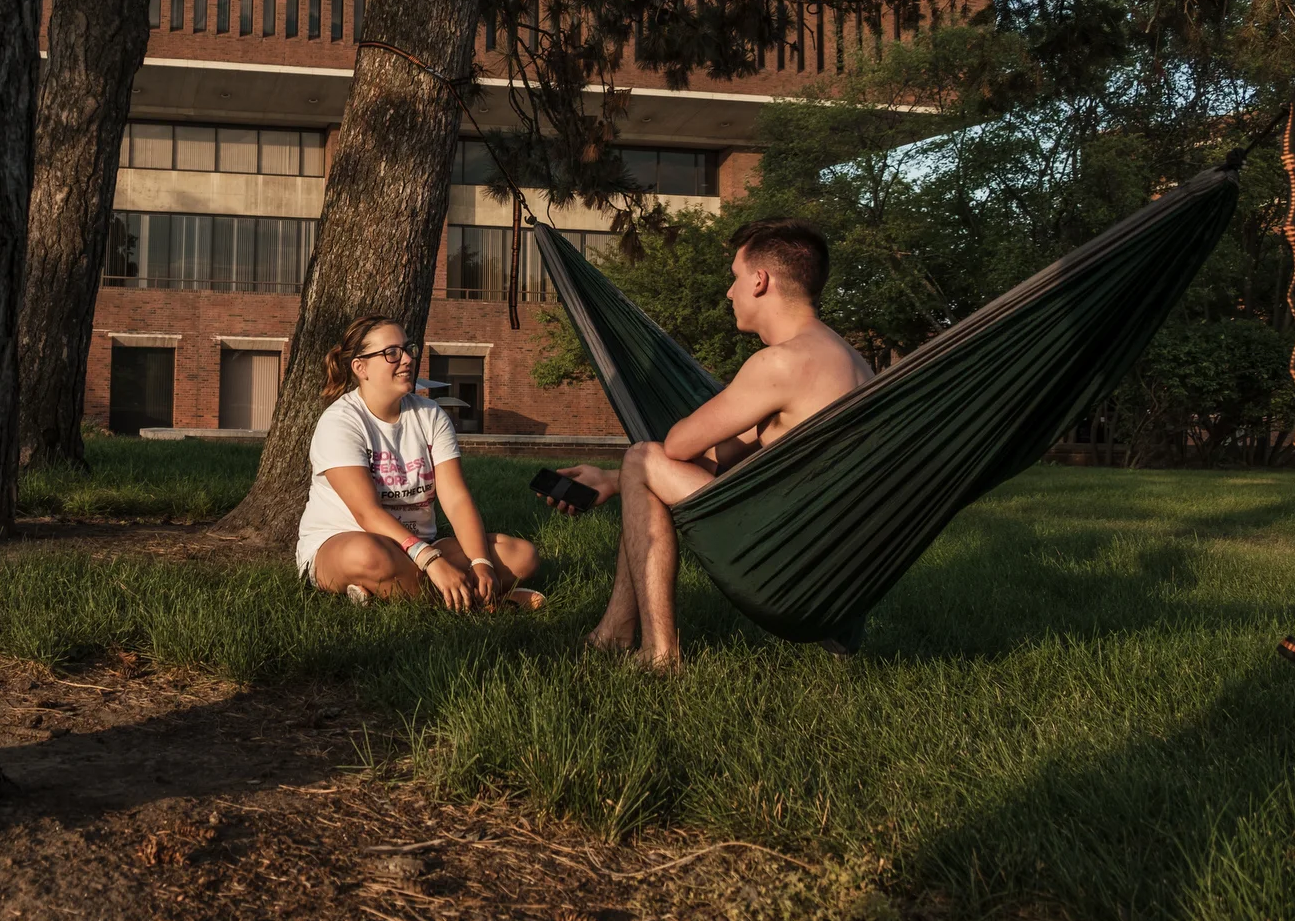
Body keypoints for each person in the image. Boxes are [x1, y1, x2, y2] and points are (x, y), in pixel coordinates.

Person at [549, 219, 873, 669]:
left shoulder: (781, 362)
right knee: (640, 469)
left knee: (643, 455)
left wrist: (638, 467)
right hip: (840, 566)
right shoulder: (848, 360)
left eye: (735, 278)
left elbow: (677, 446)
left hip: (790, 564)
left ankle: (659, 653)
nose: (729, 293)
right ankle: (613, 633)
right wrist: (613, 480)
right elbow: (732, 452)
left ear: (760, 281)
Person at [299, 314, 541, 610]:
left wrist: (480, 562)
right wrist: (432, 562)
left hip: (418, 546)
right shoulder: (340, 421)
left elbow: (455, 498)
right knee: (366, 555)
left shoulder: (430, 415)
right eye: (391, 353)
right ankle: (479, 602)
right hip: (346, 544)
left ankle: (391, 592)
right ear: (361, 368)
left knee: (521, 555)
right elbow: (367, 514)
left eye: (408, 349)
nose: (407, 359)